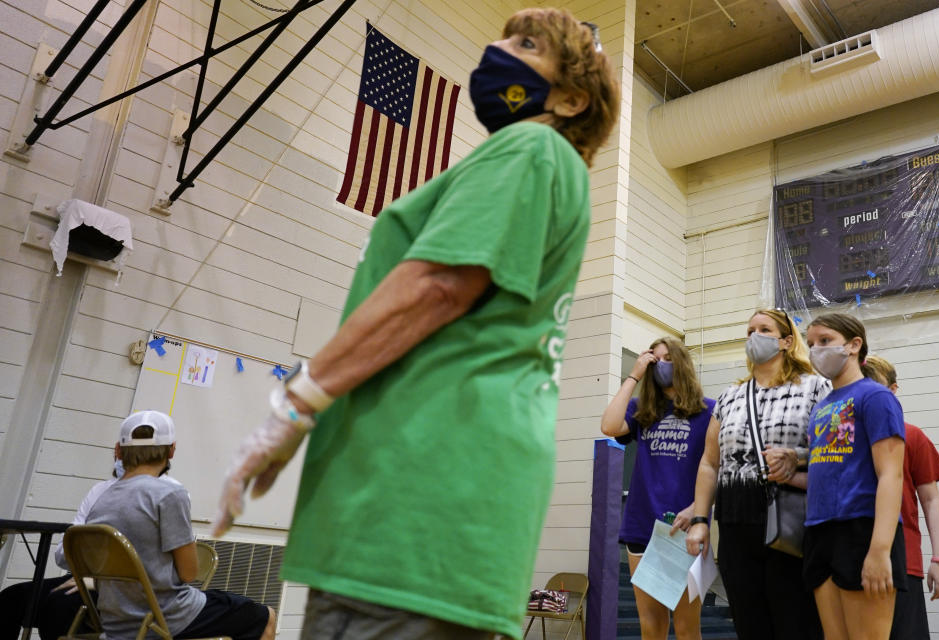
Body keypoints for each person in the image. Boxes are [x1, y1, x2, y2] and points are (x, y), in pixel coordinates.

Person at [211, 7, 620, 639]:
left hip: (418, 493)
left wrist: (296, 405)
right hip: (432, 496)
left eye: (526, 43)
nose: (497, 46)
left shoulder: (532, 146)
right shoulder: (539, 169)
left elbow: (436, 286)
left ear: (569, 98)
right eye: (504, 33)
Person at [684, 308, 829, 640]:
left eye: (764, 329)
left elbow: (837, 452)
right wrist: (700, 520)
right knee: (749, 621)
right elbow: (709, 463)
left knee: (796, 621)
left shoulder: (815, 387)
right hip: (735, 521)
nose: (754, 336)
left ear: (786, 341)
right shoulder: (729, 398)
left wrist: (797, 456)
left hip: (790, 518)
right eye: (750, 330)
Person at [86, 411, 276, 640]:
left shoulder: (102, 499)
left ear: (119, 450)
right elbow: (189, 573)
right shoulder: (169, 494)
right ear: (171, 450)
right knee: (264, 616)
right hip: (165, 616)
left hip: (115, 621)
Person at [0, 422, 181, 640]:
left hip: (129, 589)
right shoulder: (100, 490)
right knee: (11, 599)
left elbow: (164, 566)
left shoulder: (170, 494)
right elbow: (65, 551)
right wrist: (86, 572)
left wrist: (96, 576)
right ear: (118, 450)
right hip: (82, 578)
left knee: (60, 608)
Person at [600, 336, 714, 640]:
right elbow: (609, 427)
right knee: (651, 626)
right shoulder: (643, 410)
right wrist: (635, 374)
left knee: (688, 628)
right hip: (642, 526)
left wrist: (697, 511)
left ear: (683, 364)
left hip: (686, 529)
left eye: (667, 359)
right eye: (655, 360)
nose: (660, 365)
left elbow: (718, 469)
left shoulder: (709, 411)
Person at [803, 314, 906, 640]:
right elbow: (827, 471)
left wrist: (879, 550)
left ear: (854, 344)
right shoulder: (820, 409)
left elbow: (891, 474)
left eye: (824, 341)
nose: (815, 350)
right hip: (819, 531)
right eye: (810, 344)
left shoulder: (875, 397)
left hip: (861, 529)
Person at [860, 355, 939, 640]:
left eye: (876, 389)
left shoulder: (911, 436)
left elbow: (931, 499)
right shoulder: (841, 439)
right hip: (851, 560)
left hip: (902, 563)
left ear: (893, 390)